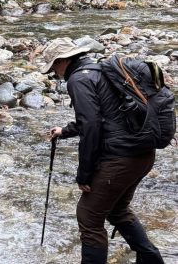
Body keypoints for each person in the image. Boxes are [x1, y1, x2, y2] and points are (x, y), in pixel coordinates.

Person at [43, 38, 164, 264]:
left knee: (88, 217)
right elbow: (104, 117)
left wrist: (84, 174)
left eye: (53, 67)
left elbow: (91, 126)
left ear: (63, 60)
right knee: (117, 210)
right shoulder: (101, 70)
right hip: (143, 154)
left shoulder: (78, 79)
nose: (54, 73)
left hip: (121, 159)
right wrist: (65, 131)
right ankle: (152, 260)